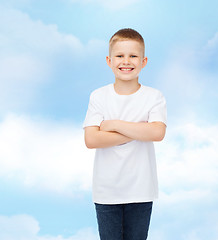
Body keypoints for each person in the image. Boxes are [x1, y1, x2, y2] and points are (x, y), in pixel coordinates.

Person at [83, 28, 167, 240]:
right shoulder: (99, 96)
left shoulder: (154, 96)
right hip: (106, 191)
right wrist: (139, 130)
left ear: (144, 61)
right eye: (120, 56)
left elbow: (157, 132)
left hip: (141, 189)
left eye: (133, 56)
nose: (126, 61)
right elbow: (92, 139)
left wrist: (114, 124)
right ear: (109, 61)